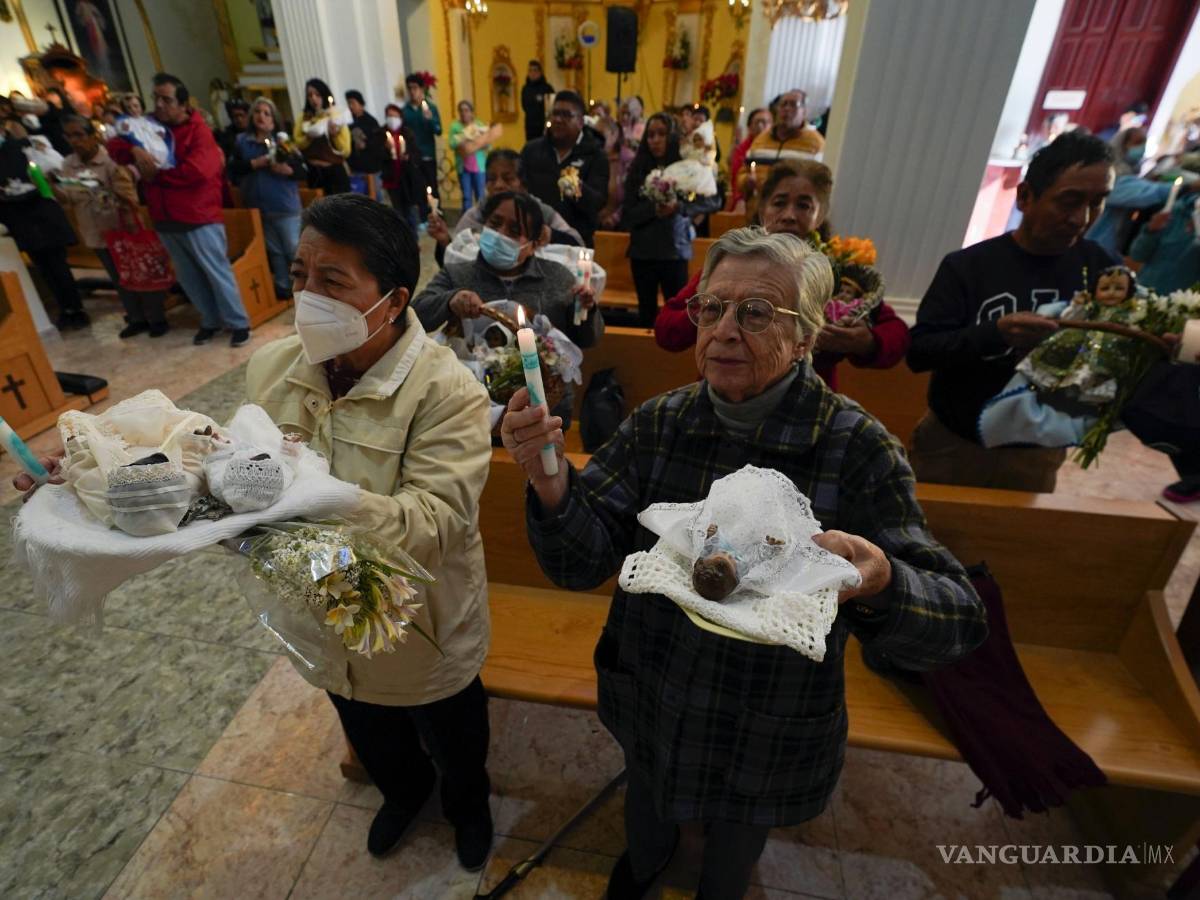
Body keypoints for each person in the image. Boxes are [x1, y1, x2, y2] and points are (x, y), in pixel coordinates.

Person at [502, 227, 987, 900]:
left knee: (734, 845)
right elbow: (580, 562)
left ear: (807, 335)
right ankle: (644, 868)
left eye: (755, 313)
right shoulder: (661, 424)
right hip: (656, 682)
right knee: (647, 805)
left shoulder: (856, 448)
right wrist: (551, 483)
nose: (724, 331)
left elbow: (957, 619)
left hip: (767, 709)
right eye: (711, 308)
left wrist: (881, 579)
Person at [906, 131, 1117, 493]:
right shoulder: (969, 266)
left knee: (1011, 544)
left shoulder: (1103, 270)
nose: (1081, 218)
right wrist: (995, 333)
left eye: (1097, 202)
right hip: (953, 444)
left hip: (1038, 453)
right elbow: (920, 351)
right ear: (1025, 196)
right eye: (1069, 201)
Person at [656, 161, 909, 390]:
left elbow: (897, 333)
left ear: (819, 215)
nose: (789, 215)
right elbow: (667, 331)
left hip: (806, 403)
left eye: (803, 206)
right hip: (727, 395)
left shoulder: (838, 272)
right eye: (779, 203)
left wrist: (866, 343)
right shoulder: (733, 265)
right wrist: (715, 309)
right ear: (762, 209)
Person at [132, 72, 252, 347]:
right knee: (188, 276)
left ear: (183, 104)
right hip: (165, 217)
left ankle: (238, 322)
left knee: (216, 272)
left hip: (199, 216)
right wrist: (136, 154)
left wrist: (157, 176)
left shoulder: (199, 132)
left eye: (167, 99)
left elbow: (198, 171)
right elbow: (118, 145)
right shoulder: (148, 129)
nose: (160, 105)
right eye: (156, 99)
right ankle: (210, 320)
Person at [413, 191, 600, 352]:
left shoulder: (558, 278)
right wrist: (449, 301)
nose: (500, 234)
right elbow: (415, 315)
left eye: (514, 230)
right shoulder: (457, 274)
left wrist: (585, 309)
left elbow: (587, 340)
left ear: (534, 245)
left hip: (544, 386)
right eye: (494, 223)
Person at [56, 114, 168, 337]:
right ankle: (136, 317)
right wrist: (51, 186)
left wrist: (125, 212)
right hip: (95, 230)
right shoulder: (69, 164)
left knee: (140, 272)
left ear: (92, 135)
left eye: (79, 135)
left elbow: (127, 194)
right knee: (118, 279)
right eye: (69, 137)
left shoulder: (111, 160)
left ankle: (156, 318)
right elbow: (68, 198)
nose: (75, 141)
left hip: (122, 228)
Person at [622, 113, 722, 327]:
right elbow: (628, 216)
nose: (655, 140)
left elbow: (714, 201)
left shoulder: (688, 166)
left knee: (677, 313)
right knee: (646, 314)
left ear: (673, 136)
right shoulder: (638, 168)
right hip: (643, 252)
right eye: (650, 135)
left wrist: (681, 207)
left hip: (674, 250)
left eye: (661, 134)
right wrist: (654, 210)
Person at [0, 126, 87, 329]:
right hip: (18, 217)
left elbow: (49, 169)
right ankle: (64, 308)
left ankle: (76, 308)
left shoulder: (22, 145)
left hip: (41, 213)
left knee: (58, 263)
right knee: (42, 267)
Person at [228, 97, 306, 301]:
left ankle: (306, 289)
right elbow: (233, 170)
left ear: (273, 120)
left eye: (266, 113)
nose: (261, 116)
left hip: (284, 205)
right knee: (274, 252)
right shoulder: (242, 142)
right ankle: (283, 287)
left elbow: (302, 171)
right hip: (258, 206)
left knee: (292, 249)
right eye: (257, 112)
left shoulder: (283, 141)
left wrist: (286, 169)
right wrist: (255, 163)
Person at [520, 90, 609, 247]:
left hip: (579, 244)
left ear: (581, 122)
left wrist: (576, 188)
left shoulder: (596, 155)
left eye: (566, 115)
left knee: (585, 273)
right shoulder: (531, 150)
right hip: (537, 241)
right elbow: (521, 191)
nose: (558, 119)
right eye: (554, 114)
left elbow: (598, 203)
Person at [440, 149, 582, 246]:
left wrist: (551, 235)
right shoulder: (477, 214)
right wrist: (444, 241)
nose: (498, 185)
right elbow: (454, 258)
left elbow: (577, 243)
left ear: (523, 185)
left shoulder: (540, 211)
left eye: (508, 179)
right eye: (491, 179)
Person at [1084, 127, 1172, 256]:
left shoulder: (1128, 172)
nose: (1141, 148)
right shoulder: (1111, 173)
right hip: (1094, 244)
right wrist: (1181, 188)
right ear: (1122, 145)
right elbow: (1144, 193)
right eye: (1137, 143)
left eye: (1144, 143)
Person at [737, 90, 825, 204]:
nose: (787, 109)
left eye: (793, 105)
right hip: (758, 210)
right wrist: (745, 181)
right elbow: (743, 171)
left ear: (804, 112)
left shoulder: (815, 144)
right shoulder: (761, 140)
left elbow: (821, 184)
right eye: (783, 104)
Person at [1128, 178, 1200, 293]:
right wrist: (1150, 231)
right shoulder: (1174, 212)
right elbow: (1137, 255)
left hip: (1185, 303)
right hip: (1146, 292)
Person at [294, 78, 351, 196]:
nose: (314, 98)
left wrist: (334, 135)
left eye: (317, 94)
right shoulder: (303, 118)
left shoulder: (335, 115)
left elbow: (345, 150)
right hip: (314, 173)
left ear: (324, 95)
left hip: (334, 173)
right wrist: (309, 136)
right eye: (310, 95)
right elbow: (297, 142)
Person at [379, 102, 425, 233]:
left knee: (410, 211)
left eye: (395, 116)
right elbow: (377, 157)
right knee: (397, 213)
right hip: (390, 179)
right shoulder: (381, 134)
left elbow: (417, 153)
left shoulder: (407, 133)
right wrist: (386, 149)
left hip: (407, 178)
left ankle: (413, 238)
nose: (392, 119)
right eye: (389, 116)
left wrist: (408, 156)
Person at [402, 74, 442, 218]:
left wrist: (430, 120)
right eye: (409, 88)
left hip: (427, 154)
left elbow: (438, 131)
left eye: (415, 88)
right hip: (412, 156)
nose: (412, 91)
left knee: (432, 186)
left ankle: (437, 214)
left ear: (422, 89)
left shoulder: (430, 108)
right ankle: (424, 217)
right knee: (417, 188)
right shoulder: (405, 110)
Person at [448, 100, 496, 212]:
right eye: (461, 111)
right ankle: (467, 222)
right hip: (463, 167)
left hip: (478, 166)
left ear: (472, 112)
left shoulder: (479, 125)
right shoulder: (455, 127)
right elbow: (452, 143)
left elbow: (488, 145)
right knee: (466, 197)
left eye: (466, 110)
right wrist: (465, 135)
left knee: (481, 195)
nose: (464, 113)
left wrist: (479, 139)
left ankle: (482, 218)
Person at [728, 107, 772, 210]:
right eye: (757, 122)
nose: (761, 126)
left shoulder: (774, 148)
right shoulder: (743, 149)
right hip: (746, 199)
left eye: (765, 122)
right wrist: (740, 199)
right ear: (750, 127)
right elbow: (736, 177)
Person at [344, 89, 385, 180]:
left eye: (353, 103)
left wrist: (366, 144)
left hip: (372, 169)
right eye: (348, 103)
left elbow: (379, 142)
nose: (350, 106)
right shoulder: (348, 122)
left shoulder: (371, 121)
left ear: (361, 104)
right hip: (355, 169)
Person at [521, 60, 554, 141]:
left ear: (540, 72)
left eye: (535, 70)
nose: (532, 73)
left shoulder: (547, 88)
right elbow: (524, 106)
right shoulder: (525, 89)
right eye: (530, 70)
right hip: (530, 128)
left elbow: (551, 109)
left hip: (544, 128)